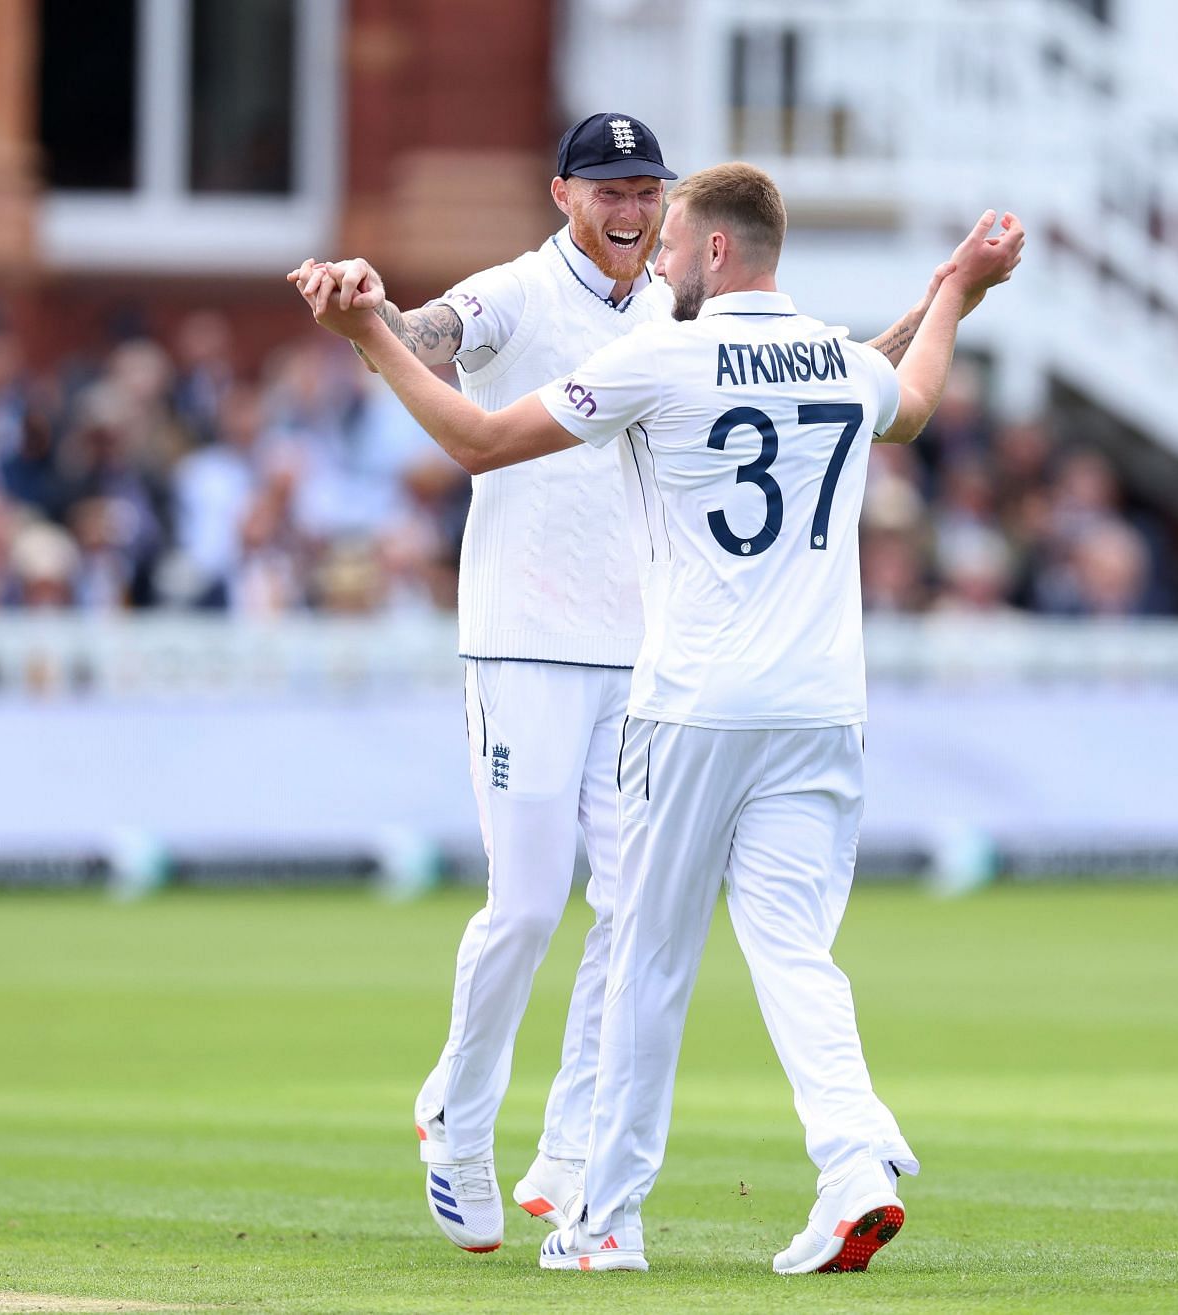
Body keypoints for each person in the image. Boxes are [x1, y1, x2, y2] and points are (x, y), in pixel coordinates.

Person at [296, 162, 1024, 1274]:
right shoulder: (833, 353)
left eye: (676, 242)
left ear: (718, 253)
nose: (660, 261)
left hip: (693, 700)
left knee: (644, 956)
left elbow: (481, 443)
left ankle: (604, 1220)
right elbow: (912, 401)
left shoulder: (661, 352)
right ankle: (852, 1168)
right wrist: (957, 298)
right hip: (826, 702)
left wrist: (371, 342)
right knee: (793, 949)